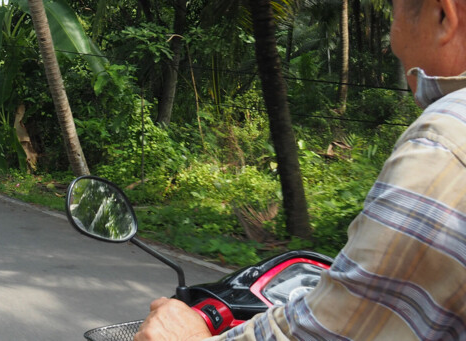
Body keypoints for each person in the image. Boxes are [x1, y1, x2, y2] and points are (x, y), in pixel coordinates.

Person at [136, 0, 466, 339]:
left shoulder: (443, 145)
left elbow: (333, 331)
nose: (393, 40)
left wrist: (184, 335)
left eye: (394, 15)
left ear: (443, 15)